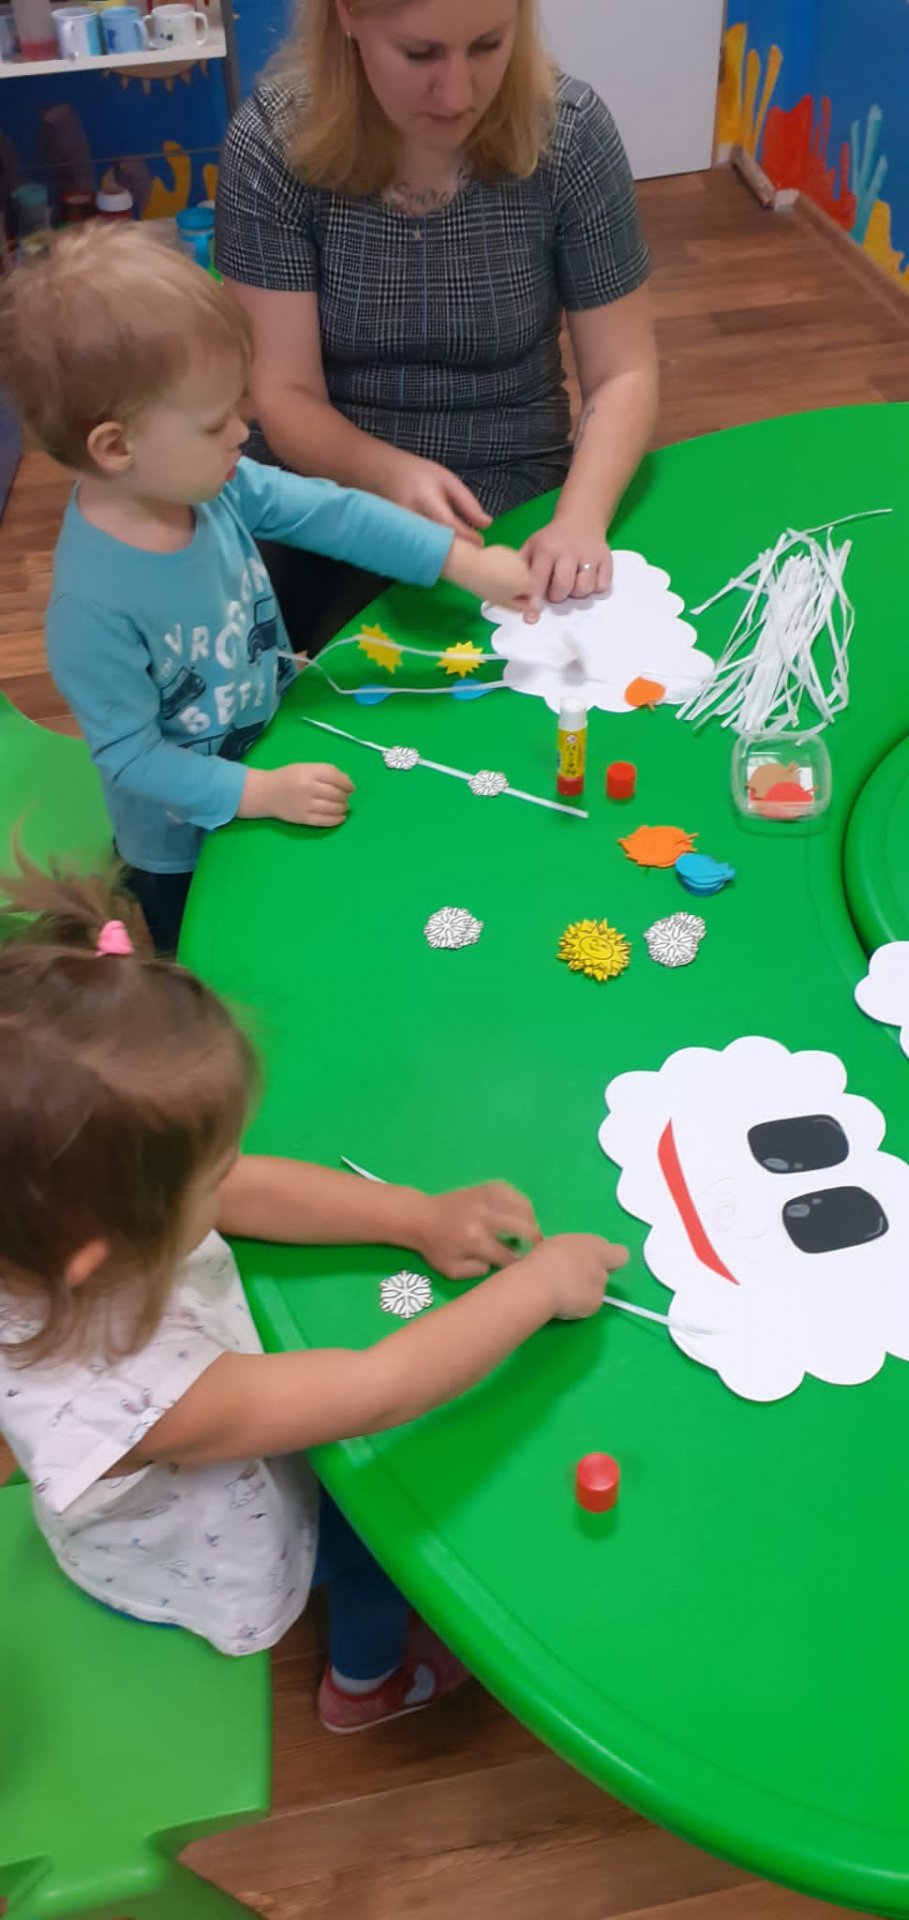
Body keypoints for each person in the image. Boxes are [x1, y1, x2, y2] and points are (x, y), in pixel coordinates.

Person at [0, 857, 628, 1731]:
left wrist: (416, 1217)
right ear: (100, 1255)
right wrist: (538, 1285)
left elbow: (243, 1190)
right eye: (209, 1173)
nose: (230, 1176)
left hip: (205, 1433)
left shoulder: (51, 1228)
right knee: (386, 1536)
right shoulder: (136, 1394)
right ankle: (366, 1683)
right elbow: (379, 1389)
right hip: (201, 1540)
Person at [0, 224, 535, 953]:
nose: (241, 432)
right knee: (219, 961)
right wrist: (259, 793)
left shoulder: (211, 486)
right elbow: (131, 757)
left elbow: (329, 512)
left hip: (274, 747)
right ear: (116, 447)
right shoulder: (90, 609)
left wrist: (457, 561)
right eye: (213, 421)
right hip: (183, 848)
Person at [216, 0, 658, 650]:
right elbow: (284, 394)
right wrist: (390, 474)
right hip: (320, 480)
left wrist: (579, 519)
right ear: (346, 17)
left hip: (509, 473)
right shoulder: (272, 142)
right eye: (419, 53)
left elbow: (623, 370)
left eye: (487, 45)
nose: (456, 94)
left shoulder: (570, 132)